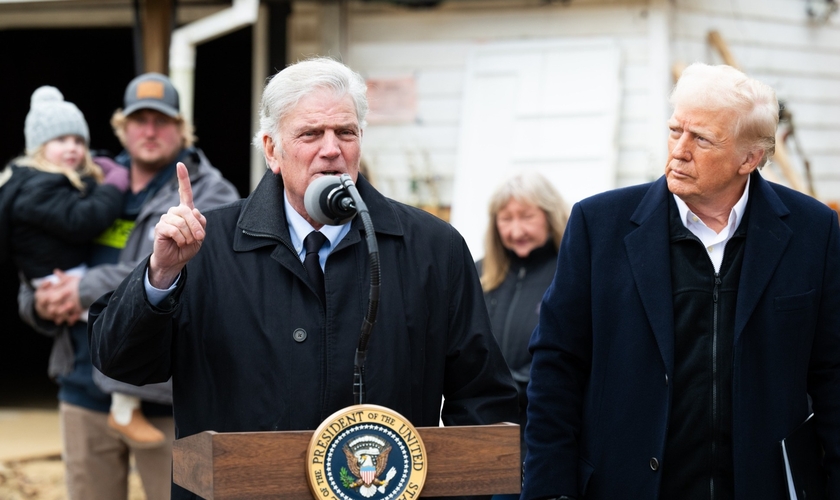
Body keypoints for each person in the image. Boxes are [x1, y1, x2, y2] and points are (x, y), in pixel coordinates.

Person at [87, 57, 519, 500]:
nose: (331, 149)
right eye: (311, 134)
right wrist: (161, 274)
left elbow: (484, 399)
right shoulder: (202, 244)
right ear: (272, 150)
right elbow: (120, 361)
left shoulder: (433, 247)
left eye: (345, 133)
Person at [520, 62, 840, 500]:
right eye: (675, 131)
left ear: (750, 158)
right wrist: (548, 491)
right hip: (628, 486)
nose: (679, 151)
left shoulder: (813, 230)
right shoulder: (599, 226)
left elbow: (833, 375)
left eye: (702, 139)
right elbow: (557, 366)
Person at [17, 73, 240, 500]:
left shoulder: (207, 193)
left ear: (182, 128)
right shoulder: (87, 183)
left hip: (164, 398)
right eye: (140, 119)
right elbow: (37, 247)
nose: (150, 130)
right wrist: (38, 299)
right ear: (122, 126)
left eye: (162, 120)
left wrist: (83, 288)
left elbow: (178, 269)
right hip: (82, 389)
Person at [475, 172, 567, 473]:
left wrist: (504, 389)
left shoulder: (571, 273)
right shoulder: (478, 274)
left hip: (543, 438)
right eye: (506, 219)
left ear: (550, 216)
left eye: (526, 217)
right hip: (483, 436)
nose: (516, 230)